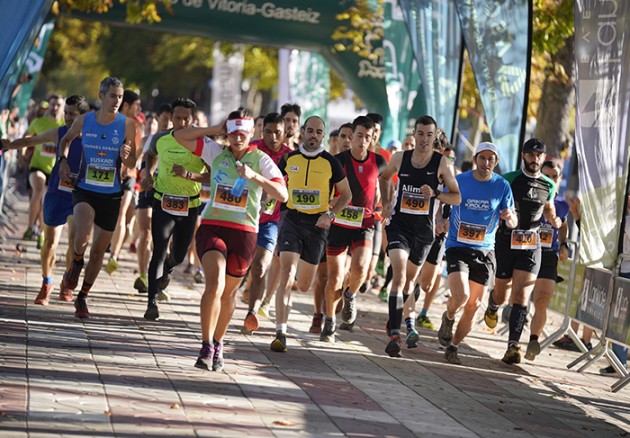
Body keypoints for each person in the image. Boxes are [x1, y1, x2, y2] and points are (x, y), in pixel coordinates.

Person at [173, 108, 288, 371]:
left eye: (242, 134)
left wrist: (254, 177)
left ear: (251, 134)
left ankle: (218, 341)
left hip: (245, 233)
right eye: (233, 133)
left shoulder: (261, 159)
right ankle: (205, 345)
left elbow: (283, 195)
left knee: (228, 294)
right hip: (213, 226)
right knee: (214, 283)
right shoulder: (216, 153)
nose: (237, 139)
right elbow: (180, 135)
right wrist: (215, 129)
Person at [379, 115, 461, 357]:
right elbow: (384, 178)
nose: (424, 139)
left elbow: (456, 197)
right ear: (413, 134)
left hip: (424, 233)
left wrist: (436, 193)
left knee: (409, 284)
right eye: (420, 133)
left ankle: (395, 315)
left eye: (429, 135)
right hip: (399, 226)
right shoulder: (400, 158)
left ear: (435, 137)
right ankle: (395, 333)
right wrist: (385, 202)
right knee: (399, 274)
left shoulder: (442, 164)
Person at [57, 76, 137, 318]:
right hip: (85, 188)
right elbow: (65, 140)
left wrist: (127, 157)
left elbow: (132, 163)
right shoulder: (84, 121)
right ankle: (76, 262)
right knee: (82, 234)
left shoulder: (127, 125)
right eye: (113, 95)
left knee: (99, 252)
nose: (117, 101)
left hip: (111, 193)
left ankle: (82, 297)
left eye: (120, 97)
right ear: (101, 96)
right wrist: (62, 161)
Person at [271, 116, 352, 352]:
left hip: (317, 226)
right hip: (292, 220)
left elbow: (346, 195)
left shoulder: (330, 162)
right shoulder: (289, 158)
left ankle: (299, 274)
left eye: (319, 132)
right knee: (286, 273)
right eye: (310, 131)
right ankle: (280, 332)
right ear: (303, 132)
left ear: (323, 135)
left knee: (305, 285)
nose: (314, 135)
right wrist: (266, 200)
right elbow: (274, 182)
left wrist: (330, 214)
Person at [4, 95, 90, 304]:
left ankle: (67, 282)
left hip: (79, 196)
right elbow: (31, 140)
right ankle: (46, 282)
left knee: (74, 241)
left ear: (84, 117)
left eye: (73, 114)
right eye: (66, 113)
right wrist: (8, 145)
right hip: (56, 194)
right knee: (50, 241)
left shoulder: (92, 137)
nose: (68, 118)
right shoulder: (59, 132)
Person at [436, 142, 516, 364]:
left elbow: (512, 218)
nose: (486, 162)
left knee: (473, 305)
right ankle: (449, 316)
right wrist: (440, 220)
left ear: (496, 162)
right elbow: (441, 200)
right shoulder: (461, 180)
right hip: (458, 246)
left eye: (491, 159)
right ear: (475, 159)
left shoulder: (502, 186)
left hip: (485, 250)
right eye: (482, 158)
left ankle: (453, 346)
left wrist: (510, 218)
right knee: (460, 296)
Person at [483, 138, 560, 364]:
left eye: (539, 154)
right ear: (523, 156)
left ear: (544, 157)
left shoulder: (549, 184)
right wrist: (499, 215)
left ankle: (513, 347)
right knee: (503, 293)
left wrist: (553, 218)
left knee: (521, 295)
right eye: (530, 154)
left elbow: (549, 207)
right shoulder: (509, 179)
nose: (534, 158)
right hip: (506, 241)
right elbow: (493, 203)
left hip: (531, 244)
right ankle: (493, 304)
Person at [320, 116, 386, 342]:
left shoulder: (379, 162)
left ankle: (351, 295)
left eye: (368, 137)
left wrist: (386, 203)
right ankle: (329, 321)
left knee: (360, 268)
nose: (363, 140)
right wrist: (327, 206)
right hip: (338, 224)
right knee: (336, 276)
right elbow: (325, 189)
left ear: (372, 139)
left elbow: (387, 185)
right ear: (351, 136)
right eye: (359, 136)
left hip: (364, 224)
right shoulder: (337, 160)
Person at [141, 98, 206, 319]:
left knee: (178, 255)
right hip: (163, 201)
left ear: (193, 119)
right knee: (158, 248)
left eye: (185, 118)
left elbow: (212, 173)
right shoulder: (161, 139)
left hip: (190, 205)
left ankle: (169, 267)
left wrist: (191, 175)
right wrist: (148, 174)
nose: (180, 122)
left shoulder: (202, 144)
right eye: (176, 118)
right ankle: (151, 303)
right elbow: (150, 155)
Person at [240, 112, 292, 334]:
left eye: (277, 132)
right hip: (242, 216)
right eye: (268, 131)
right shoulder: (250, 149)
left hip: (271, 221)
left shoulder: (291, 157)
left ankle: (252, 313)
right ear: (262, 131)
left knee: (261, 266)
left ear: (285, 133)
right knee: (241, 267)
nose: (272, 136)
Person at [524, 159, 569, 361]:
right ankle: (513, 338)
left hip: (548, 255)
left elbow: (564, 225)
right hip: (525, 250)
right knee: (519, 298)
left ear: (559, 179)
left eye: (554, 177)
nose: (550, 180)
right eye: (547, 175)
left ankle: (533, 340)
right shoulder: (530, 195)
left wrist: (563, 244)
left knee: (541, 301)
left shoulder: (562, 204)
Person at [133, 103, 172, 293]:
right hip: (147, 191)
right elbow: (134, 161)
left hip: (167, 193)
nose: (168, 122)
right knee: (145, 232)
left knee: (164, 239)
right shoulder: (147, 140)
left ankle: (160, 278)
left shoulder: (179, 142)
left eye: (171, 118)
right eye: (164, 118)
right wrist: (128, 168)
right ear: (158, 119)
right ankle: (143, 275)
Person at [105, 90, 142, 275]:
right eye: (137, 105)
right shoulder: (112, 122)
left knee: (121, 214)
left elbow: (135, 152)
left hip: (129, 175)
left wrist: (129, 167)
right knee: (109, 215)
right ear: (126, 106)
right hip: (109, 174)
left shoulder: (136, 126)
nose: (140, 109)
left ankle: (114, 255)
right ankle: (105, 245)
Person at [22, 94, 64, 248]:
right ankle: (29, 227)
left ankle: (40, 231)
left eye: (58, 105)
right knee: (38, 190)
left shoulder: (65, 125)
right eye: (52, 104)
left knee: (46, 201)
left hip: (55, 170)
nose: (55, 107)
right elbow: (26, 136)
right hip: (37, 166)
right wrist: (22, 153)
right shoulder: (39, 122)